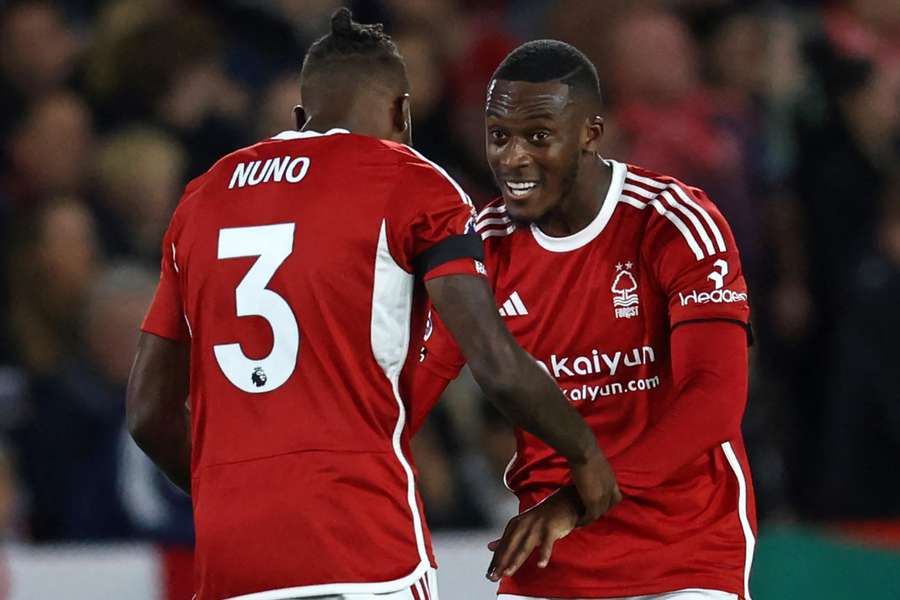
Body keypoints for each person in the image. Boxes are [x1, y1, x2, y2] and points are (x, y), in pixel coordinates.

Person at [126, 11, 619, 600]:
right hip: (360, 545)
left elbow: (149, 414)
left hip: (232, 560)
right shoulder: (411, 181)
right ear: (402, 114)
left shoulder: (203, 197)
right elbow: (495, 363)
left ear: (300, 120)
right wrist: (586, 456)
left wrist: (233, 496)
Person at [416, 40, 757, 600]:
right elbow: (410, 390)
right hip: (550, 557)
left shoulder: (673, 222)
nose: (512, 158)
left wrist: (577, 498)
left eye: (538, 137)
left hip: (682, 551)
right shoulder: (480, 245)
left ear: (591, 133)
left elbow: (714, 397)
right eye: (498, 136)